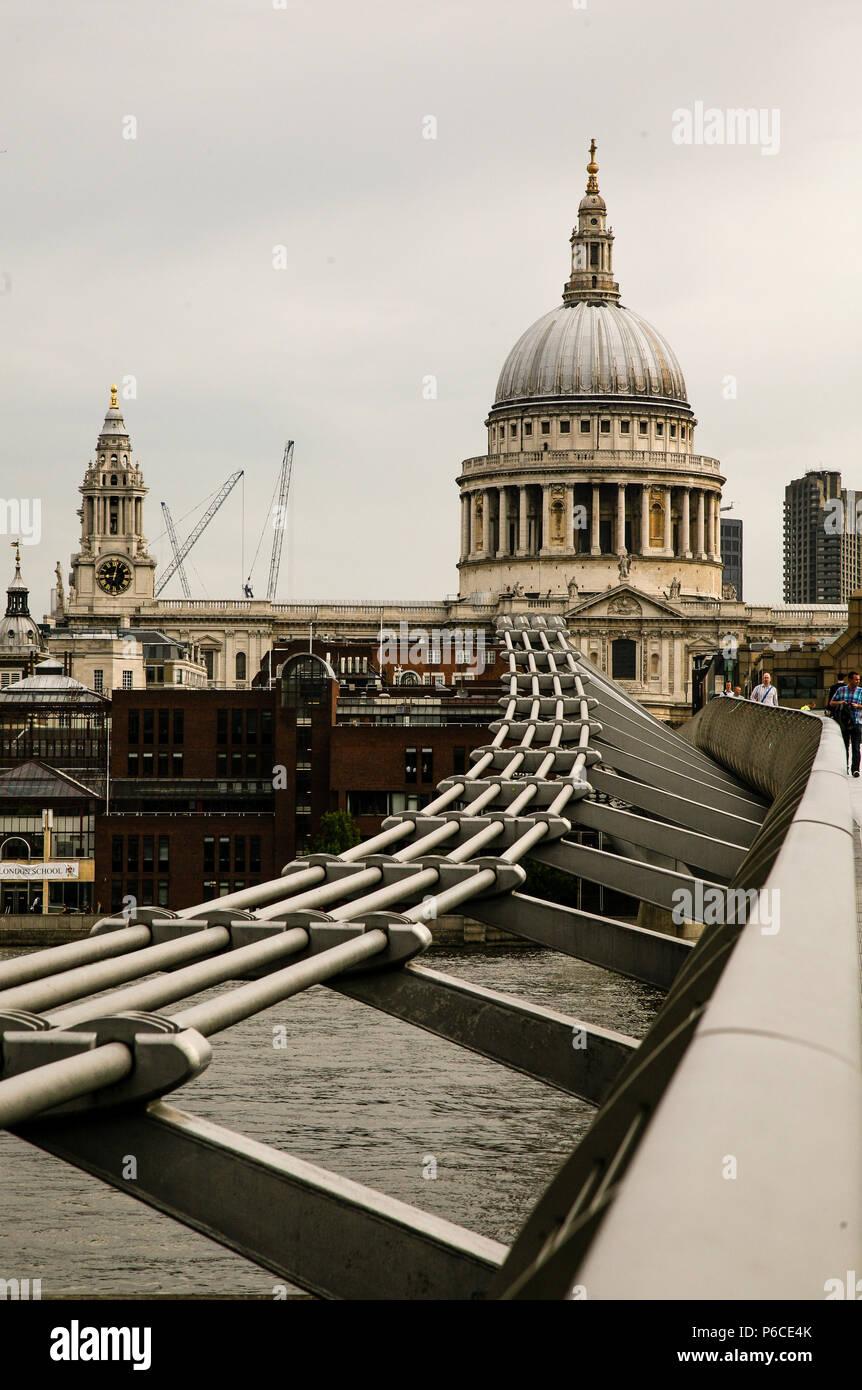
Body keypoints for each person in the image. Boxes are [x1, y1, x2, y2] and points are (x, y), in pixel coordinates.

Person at [829, 671, 862, 776]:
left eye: (859, 679)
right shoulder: (841, 690)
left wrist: (858, 706)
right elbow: (831, 703)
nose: (858, 681)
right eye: (856, 679)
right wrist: (841, 702)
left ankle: (855, 769)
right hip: (844, 723)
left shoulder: (861, 691)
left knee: (856, 747)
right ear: (850, 680)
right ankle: (845, 767)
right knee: (844, 746)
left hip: (857, 722)